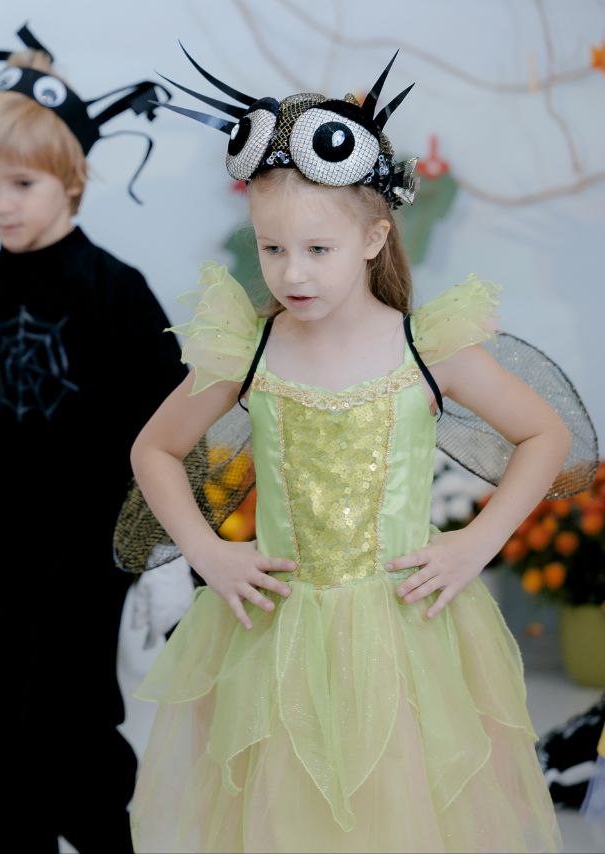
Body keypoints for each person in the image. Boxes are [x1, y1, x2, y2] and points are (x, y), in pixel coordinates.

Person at [128, 47, 586, 852]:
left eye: (317, 249)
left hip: (403, 635)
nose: (292, 274)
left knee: (396, 811)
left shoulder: (426, 347)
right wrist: (207, 552)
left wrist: (477, 542)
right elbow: (155, 451)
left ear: (374, 237)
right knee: (285, 815)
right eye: (272, 249)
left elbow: (546, 434)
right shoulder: (251, 350)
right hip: (277, 637)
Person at [0, 24, 183, 853]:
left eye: (22, 183)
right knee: (9, 718)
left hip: (92, 547)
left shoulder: (118, 292)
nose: (1, 203)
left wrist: (163, 550)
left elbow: (168, 425)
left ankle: (105, 834)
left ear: (71, 179)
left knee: (79, 712)